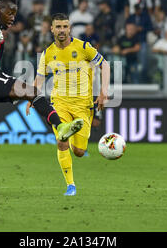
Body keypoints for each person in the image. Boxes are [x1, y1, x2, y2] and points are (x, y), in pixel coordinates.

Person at [0, 0, 84, 167]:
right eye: (10, 13)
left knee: (32, 92)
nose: (13, 18)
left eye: (15, 14)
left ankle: (61, 127)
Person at [26, 13, 110, 196]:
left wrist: (104, 91)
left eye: (65, 26)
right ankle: (70, 185)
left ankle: (71, 132)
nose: (62, 30)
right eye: (58, 27)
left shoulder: (83, 47)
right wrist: (31, 98)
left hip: (83, 105)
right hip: (59, 103)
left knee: (79, 151)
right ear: (52, 29)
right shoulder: (48, 53)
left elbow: (106, 65)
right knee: (61, 140)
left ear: (69, 28)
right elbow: (40, 77)